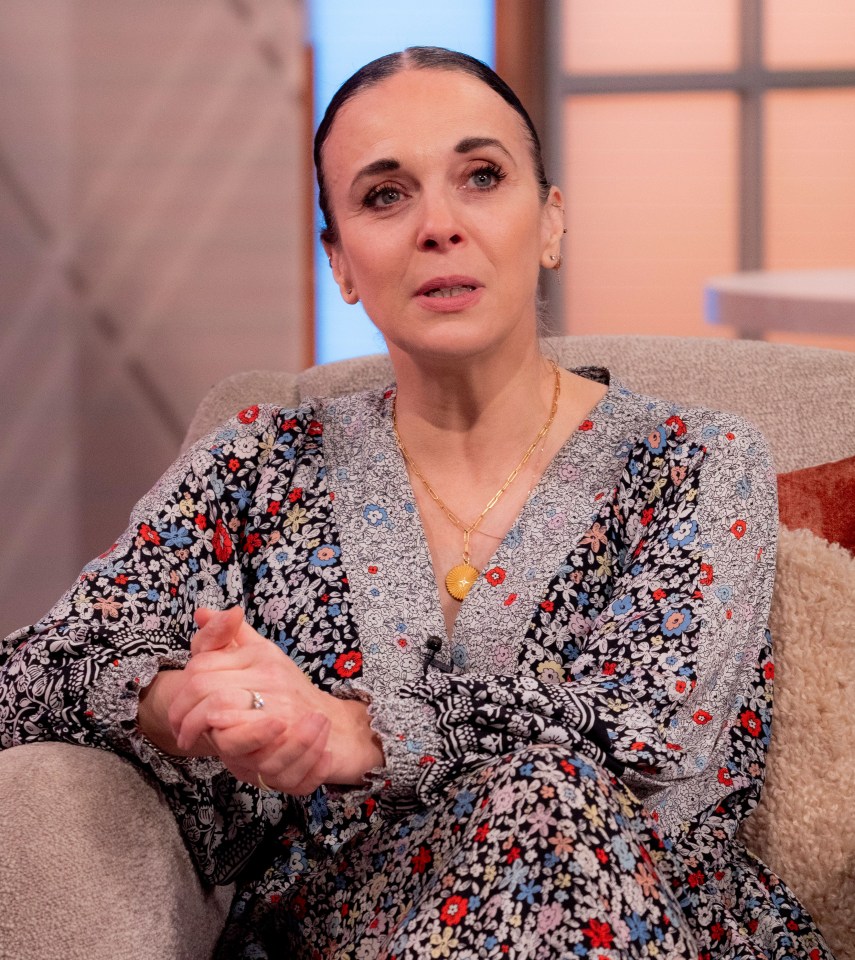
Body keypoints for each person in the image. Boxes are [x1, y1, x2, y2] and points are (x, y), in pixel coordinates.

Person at [0, 47, 834, 960]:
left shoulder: (695, 461)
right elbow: (27, 676)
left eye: (481, 177)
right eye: (384, 195)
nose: (438, 225)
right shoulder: (254, 469)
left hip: (657, 917)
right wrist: (176, 700)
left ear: (550, 222)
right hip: (350, 928)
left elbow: (645, 726)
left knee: (546, 796)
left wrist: (350, 732)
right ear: (341, 261)